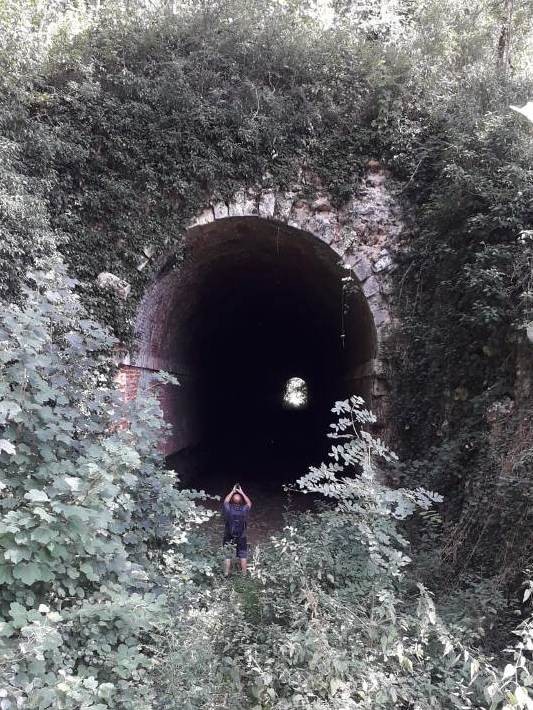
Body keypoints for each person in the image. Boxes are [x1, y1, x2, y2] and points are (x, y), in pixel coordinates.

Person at [222, 484, 252, 575]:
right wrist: (241, 492)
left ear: (232, 501)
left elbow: (225, 501)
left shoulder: (228, 509)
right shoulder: (244, 509)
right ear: (241, 501)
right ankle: (244, 574)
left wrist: (232, 491)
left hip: (228, 534)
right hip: (241, 535)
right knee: (243, 555)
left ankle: (226, 574)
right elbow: (249, 503)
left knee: (227, 555)